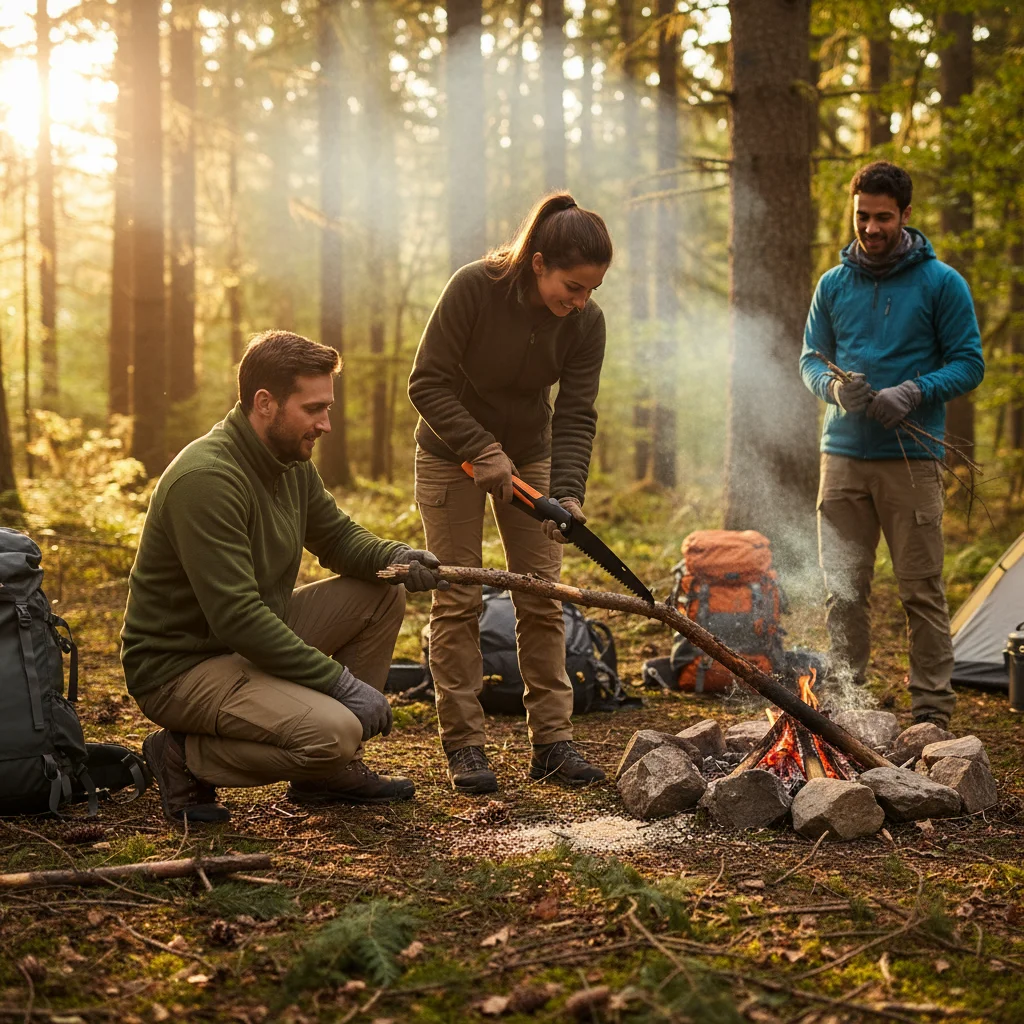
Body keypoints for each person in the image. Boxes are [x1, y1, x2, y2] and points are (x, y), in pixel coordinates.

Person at [121, 330, 445, 823]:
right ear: (265, 403)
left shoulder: (287, 460)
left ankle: (329, 775)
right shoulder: (206, 479)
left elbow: (336, 538)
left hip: (245, 641)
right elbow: (238, 617)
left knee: (380, 595)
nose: (325, 424)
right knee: (334, 733)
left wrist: (398, 558)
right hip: (181, 667)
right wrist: (340, 684)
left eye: (327, 408)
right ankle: (181, 755)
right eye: (313, 409)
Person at [408, 191, 612, 793]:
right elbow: (426, 382)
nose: (580, 301)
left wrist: (567, 493)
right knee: (459, 597)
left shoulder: (586, 324)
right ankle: (465, 746)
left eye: (592, 290)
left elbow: (575, 414)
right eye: (572, 287)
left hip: (531, 454)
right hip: (450, 454)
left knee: (542, 597)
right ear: (538, 263)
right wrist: (480, 447)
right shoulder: (474, 288)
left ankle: (552, 743)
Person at [799, 161, 984, 729]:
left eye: (882, 217)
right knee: (843, 591)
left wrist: (913, 391)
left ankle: (931, 708)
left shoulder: (941, 283)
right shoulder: (833, 284)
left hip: (911, 459)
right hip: (842, 457)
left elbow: (969, 363)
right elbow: (810, 359)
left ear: (905, 215)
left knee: (920, 590)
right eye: (862, 216)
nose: (870, 228)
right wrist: (834, 390)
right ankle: (846, 702)